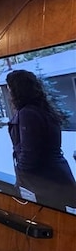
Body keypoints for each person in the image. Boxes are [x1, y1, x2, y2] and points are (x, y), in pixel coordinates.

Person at [6, 69, 76, 208]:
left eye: (9, 89)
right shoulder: (42, 109)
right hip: (56, 179)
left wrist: (21, 177)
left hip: (46, 183)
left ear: (17, 90)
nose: (9, 94)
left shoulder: (28, 113)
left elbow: (29, 155)